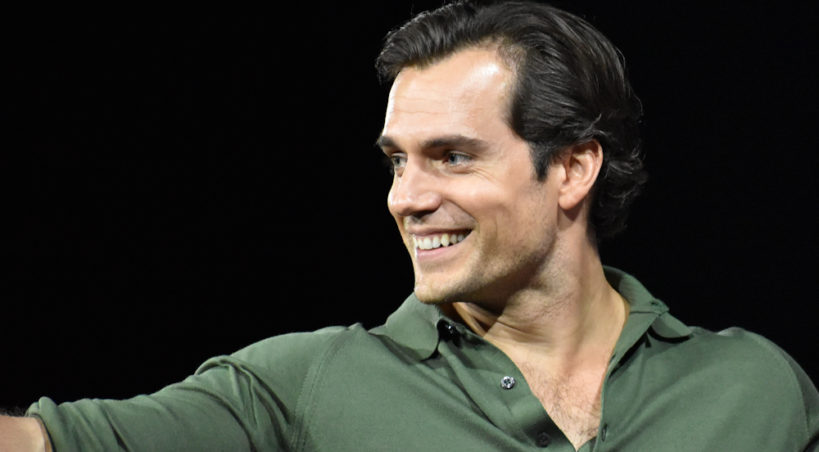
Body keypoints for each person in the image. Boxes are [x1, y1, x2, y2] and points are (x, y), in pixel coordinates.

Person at [3, 1, 817, 450]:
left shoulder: (753, 389)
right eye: (397, 162)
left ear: (572, 168)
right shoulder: (308, 384)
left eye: (452, 157)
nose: (406, 198)